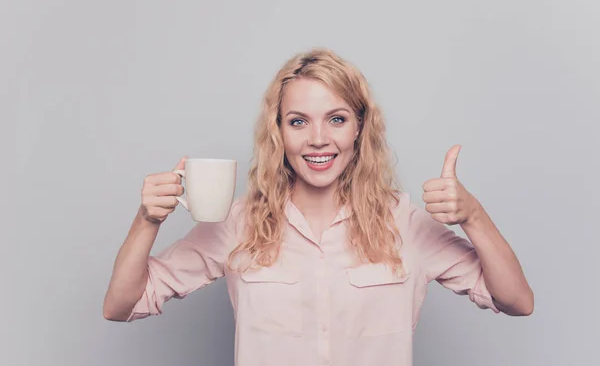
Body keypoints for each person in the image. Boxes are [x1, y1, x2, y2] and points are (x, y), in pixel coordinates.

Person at [103, 48, 534, 366]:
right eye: (298, 122)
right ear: (279, 133)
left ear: (360, 128)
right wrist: (147, 221)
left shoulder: (403, 222)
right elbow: (122, 305)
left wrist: (473, 216)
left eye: (336, 119)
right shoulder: (240, 224)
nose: (318, 140)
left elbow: (516, 300)